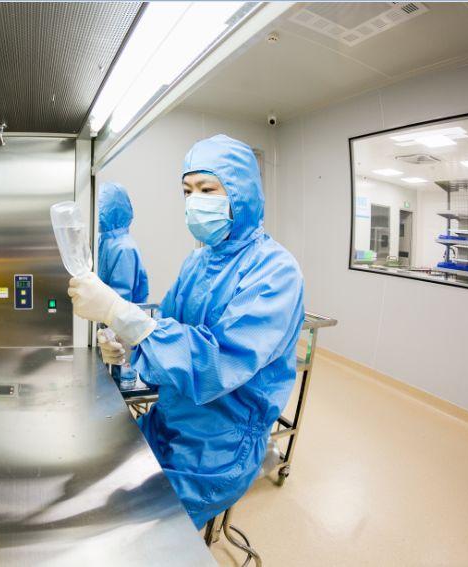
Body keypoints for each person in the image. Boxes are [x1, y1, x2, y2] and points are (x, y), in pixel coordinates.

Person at [68, 135, 304, 528]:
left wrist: (118, 312)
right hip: (168, 420)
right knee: (94, 487)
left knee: (131, 533)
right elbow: (168, 328)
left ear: (242, 194)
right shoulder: (197, 263)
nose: (195, 201)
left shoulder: (276, 271)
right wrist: (127, 343)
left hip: (218, 449)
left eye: (207, 190)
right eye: (187, 191)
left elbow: (216, 364)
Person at [97, 182, 149, 304]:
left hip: (119, 314)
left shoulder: (123, 248)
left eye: (101, 206)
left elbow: (120, 300)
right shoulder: (104, 241)